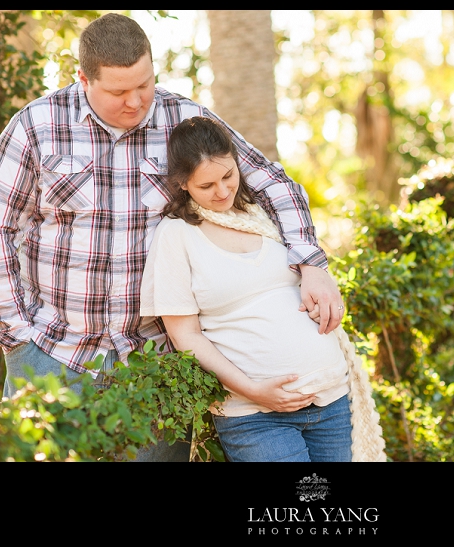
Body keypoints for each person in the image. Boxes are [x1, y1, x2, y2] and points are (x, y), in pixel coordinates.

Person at [0, 13, 343, 462]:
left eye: (145, 84)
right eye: (118, 91)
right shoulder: (36, 125)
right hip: (53, 352)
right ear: (83, 79)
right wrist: (17, 335)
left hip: (154, 362)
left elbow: (272, 183)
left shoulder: (183, 120)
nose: (136, 101)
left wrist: (311, 262)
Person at [140, 116, 385, 462]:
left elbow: (309, 271)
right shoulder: (175, 235)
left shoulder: (263, 213)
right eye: (206, 185)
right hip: (254, 415)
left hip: (332, 398)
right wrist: (253, 390)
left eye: (228, 176)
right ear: (182, 184)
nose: (222, 191)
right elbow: (186, 336)